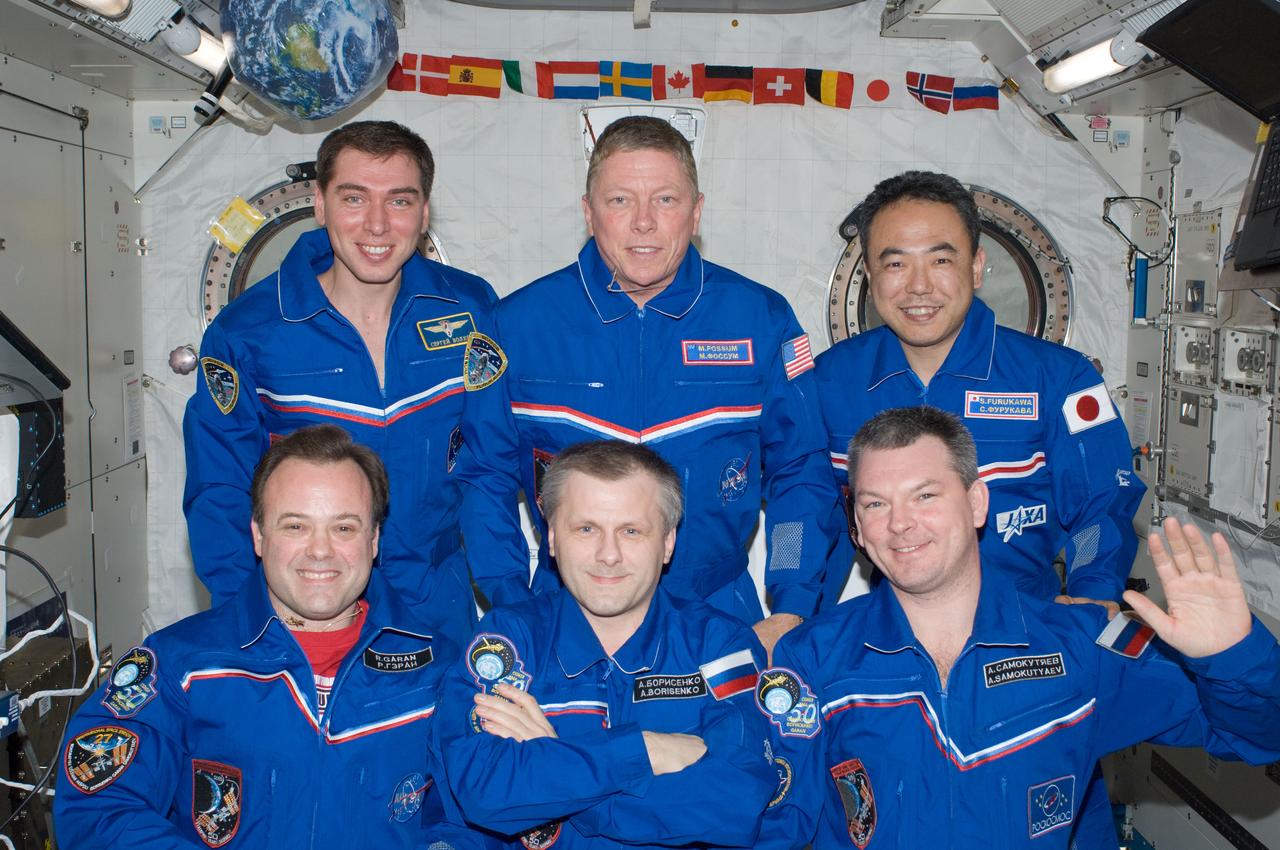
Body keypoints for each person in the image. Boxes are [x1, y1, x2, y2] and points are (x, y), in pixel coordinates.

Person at [757, 407, 1280, 850]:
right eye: (875, 504)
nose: (899, 523)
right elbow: (772, 821)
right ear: (858, 528)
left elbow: (1253, 736)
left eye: (925, 496)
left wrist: (1233, 655)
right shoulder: (811, 661)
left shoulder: (1082, 643)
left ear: (977, 503)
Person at [456, 116, 833, 657]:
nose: (643, 224)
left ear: (697, 211)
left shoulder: (759, 320)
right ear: (588, 213)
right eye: (619, 201)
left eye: (665, 200)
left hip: (718, 617)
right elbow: (484, 478)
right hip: (562, 622)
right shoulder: (515, 326)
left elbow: (801, 472)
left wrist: (793, 605)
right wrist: (514, 606)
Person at [56, 425, 481, 848]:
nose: (320, 550)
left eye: (345, 528)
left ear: (373, 540)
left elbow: (474, 826)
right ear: (259, 536)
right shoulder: (179, 667)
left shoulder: (441, 674)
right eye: (296, 526)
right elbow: (97, 807)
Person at [184, 120, 502, 644]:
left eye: (399, 202)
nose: (377, 226)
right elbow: (220, 491)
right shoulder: (248, 331)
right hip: (305, 607)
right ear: (320, 204)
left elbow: (488, 466)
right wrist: (247, 624)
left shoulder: (469, 309)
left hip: (435, 602)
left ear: (424, 213)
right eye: (354, 199)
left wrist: (507, 594)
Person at [815, 170, 1144, 613]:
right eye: (895, 264)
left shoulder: (1057, 378)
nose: (918, 286)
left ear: (975, 267)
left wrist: (1093, 594)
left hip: (1028, 634)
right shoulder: (831, 380)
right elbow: (815, 510)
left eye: (941, 261)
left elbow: (1102, 504)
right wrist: (798, 610)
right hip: (890, 631)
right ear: (871, 277)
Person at [435, 440, 778, 848]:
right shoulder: (509, 643)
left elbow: (734, 803)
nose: (608, 555)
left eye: (631, 531)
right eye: (586, 529)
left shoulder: (719, 644)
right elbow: (483, 790)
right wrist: (643, 751)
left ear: (667, 542)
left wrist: (555, 764)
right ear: (551, 538)